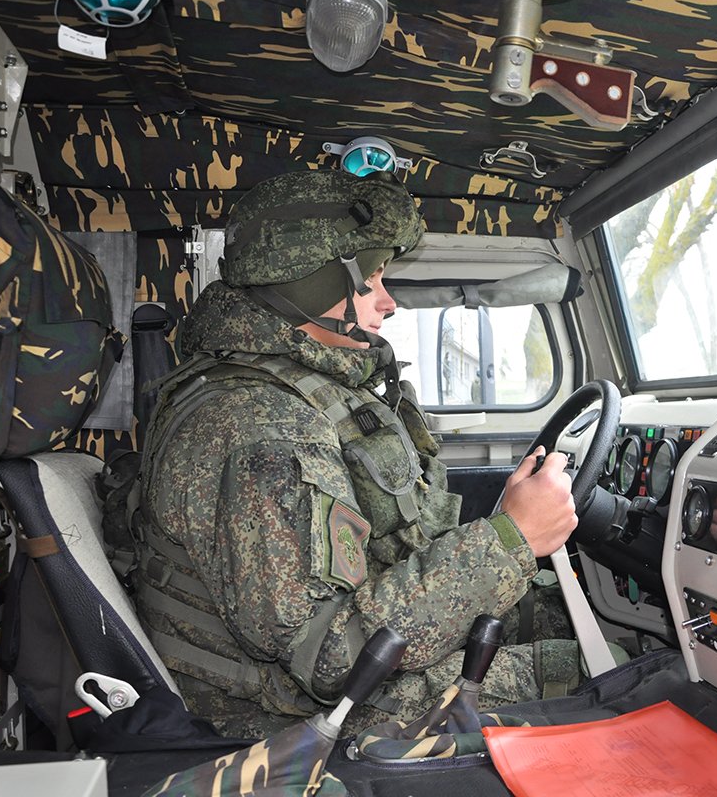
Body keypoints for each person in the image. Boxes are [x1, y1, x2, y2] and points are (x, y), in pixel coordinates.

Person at [133, 168, 582, 739]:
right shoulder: (259, 426)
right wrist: (512, 538)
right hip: (297, 717)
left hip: (339, 670)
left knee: (560, 613)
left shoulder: (285, 392)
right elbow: (331, 655)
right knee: (606, 665)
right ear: (314, 285)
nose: (389, 303)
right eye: (371, 280)